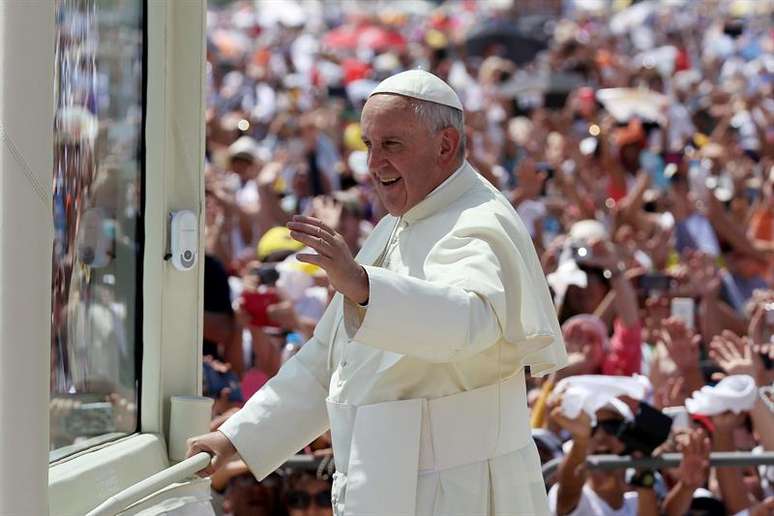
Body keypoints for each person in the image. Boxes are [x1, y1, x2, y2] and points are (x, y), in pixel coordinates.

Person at [187, 69, 567, 515]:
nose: (373, 163)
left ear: (445, 145)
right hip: (385, 486)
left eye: (392, 145)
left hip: (459, 494)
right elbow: (328, 363)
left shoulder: (479, 222)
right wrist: (237, 437)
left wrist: (365, 287)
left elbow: (469, 321)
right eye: (369, 145)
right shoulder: (396, 223)